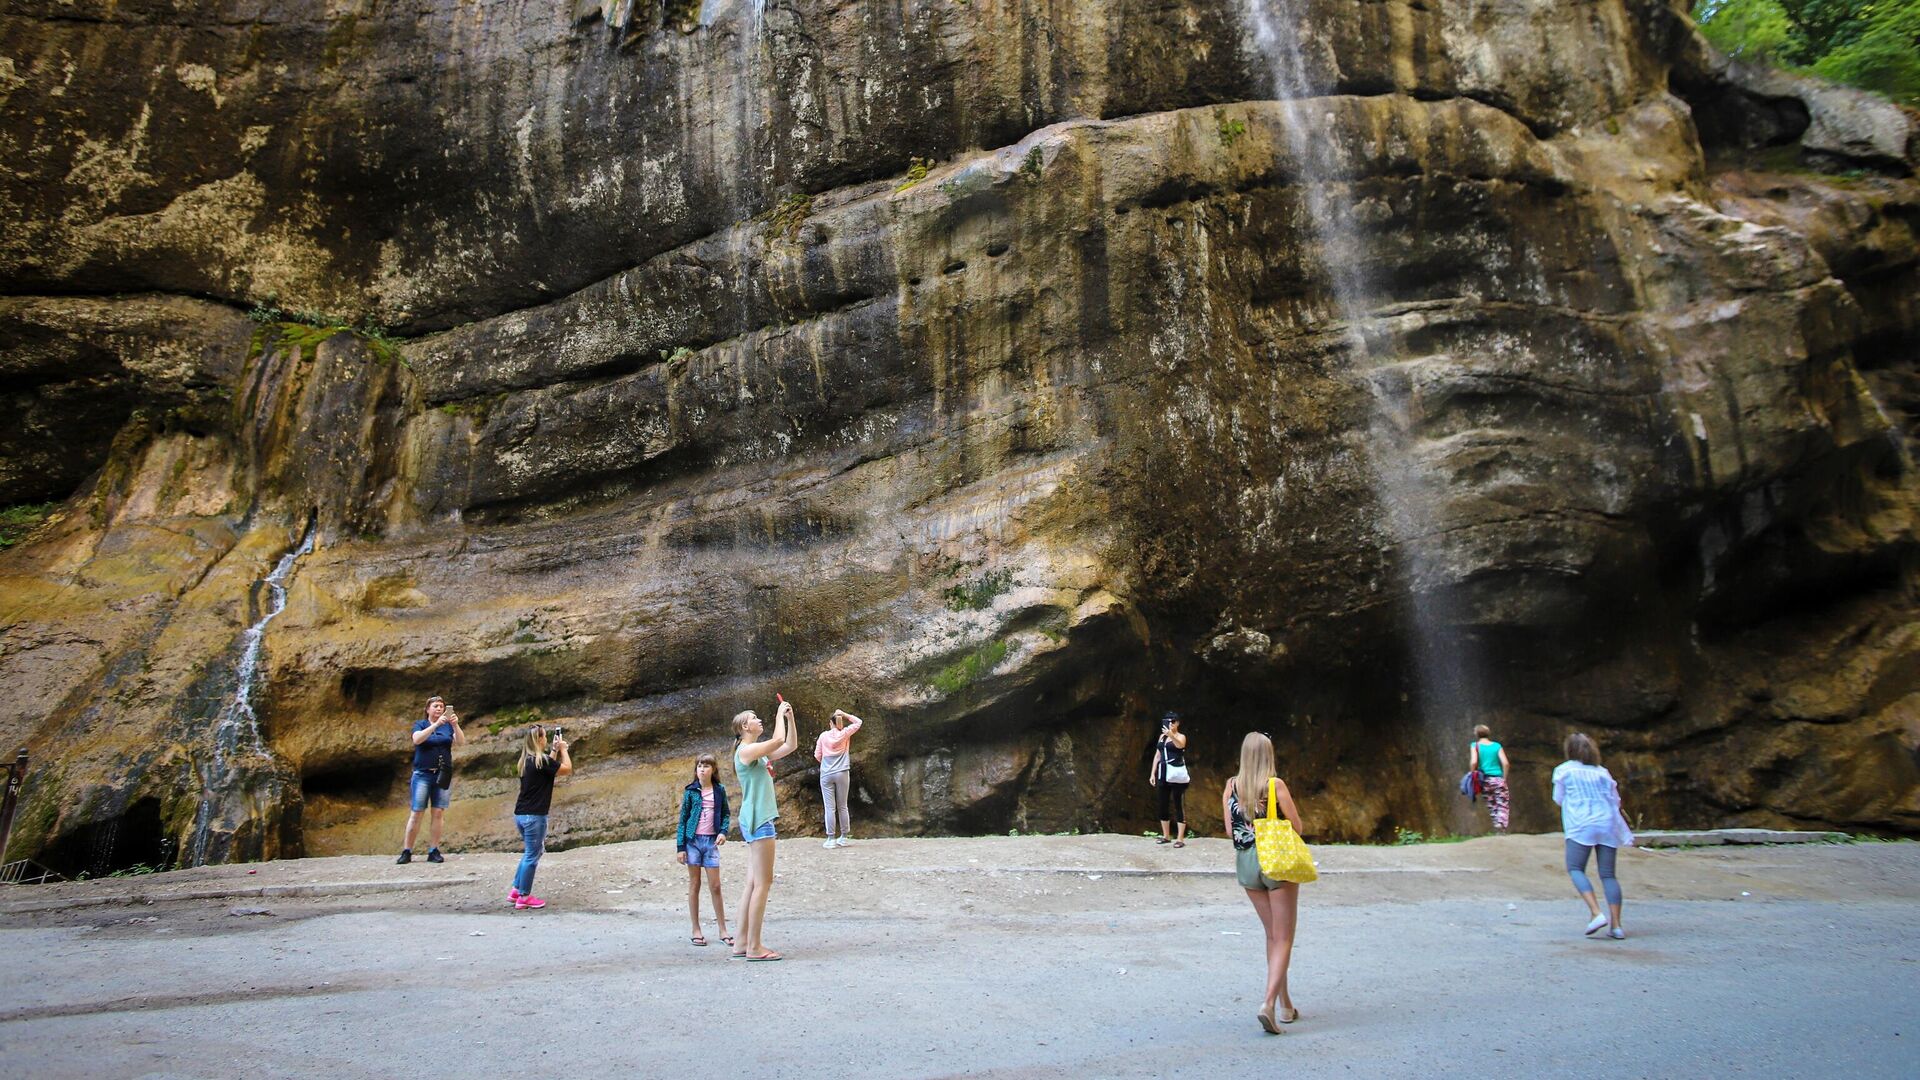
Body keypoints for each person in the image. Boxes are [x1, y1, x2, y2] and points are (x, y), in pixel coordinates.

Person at [1221, 732, 1303, 1034]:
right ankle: (1268, 1003)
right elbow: (1297, 826)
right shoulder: (1275, 786)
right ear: (1268, 755)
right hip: (1276, 863)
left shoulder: (1231, 787)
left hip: (1247, 864)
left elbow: (1230, 831)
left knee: (1272, 936)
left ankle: (1286, 1004)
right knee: (1283, 937)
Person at [731, 697, 798, 960]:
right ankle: (755, 947)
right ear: (745, 727)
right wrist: (779, 714)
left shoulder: (756, 753)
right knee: (763, 883)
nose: (758, 721)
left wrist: (790, 719)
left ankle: (741, 942)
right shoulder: (746, 751)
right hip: (759, 820)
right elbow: (779, 740)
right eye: (754, 718)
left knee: (752, 883)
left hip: (754, 819)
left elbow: (790, 744)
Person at [1552, 732, 1634, 940]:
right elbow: (1615, 800)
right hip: (1607, 823)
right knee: (1608, 875)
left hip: (1580, 825)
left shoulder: (1564, 771)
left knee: (1575, 868)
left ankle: (1596, 913)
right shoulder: (1602, 772)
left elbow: (1558, 799)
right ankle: (1616, 926)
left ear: (1569, 751)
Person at [508, 724, 573, 910]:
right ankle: (524, 897)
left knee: (530, 852)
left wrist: (553, 750)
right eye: (544, 736)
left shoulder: (527, 761)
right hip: (534, 816)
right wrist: (563, 750)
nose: (546, 739)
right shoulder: (541, 761)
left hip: (521, 814)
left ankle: (516, 890)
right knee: (532, 856)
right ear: (539, 740)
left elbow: (547, 771)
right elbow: (566, 769)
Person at [398, 696, 465, 864]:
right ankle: (407, 850)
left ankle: (433, 850)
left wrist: (455, 724)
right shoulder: (420, 724)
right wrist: (435, 725)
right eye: (435, 706)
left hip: (443, 773)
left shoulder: (449, 727)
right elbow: (417, 739)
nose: (439, 709)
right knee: (417, 812)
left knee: (438, 812)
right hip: (423, 774)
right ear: (427, 709)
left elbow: (461, 742)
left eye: (441, 706)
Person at [676, 753, 732, 946]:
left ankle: (723, 929)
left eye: (706, 766)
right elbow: (683, 819)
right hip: (692, 842)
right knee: (695, 884)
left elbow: (725, 813)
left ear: (713, 769)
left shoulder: (719, 790)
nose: (702, 769)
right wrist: (680, 847)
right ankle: (696, 929)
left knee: (715, 886)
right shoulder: (691, 791)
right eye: (699, 766)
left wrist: (723, 832)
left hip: (711, 842)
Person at [814, 709, 865, 848]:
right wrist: (845, 714)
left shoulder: (823, 736)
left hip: (826, 773)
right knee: (842, 806)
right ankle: (843, 837)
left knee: (829, 807)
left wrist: (826, 763)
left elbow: (817, 755)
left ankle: (831, 839)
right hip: (842, 772)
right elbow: (859, 722)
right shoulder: (845, 733)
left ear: (830, 723)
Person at [1149, 712, 1191, 846]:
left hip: (1176, 773)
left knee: (1178, 803)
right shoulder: (1162, 737)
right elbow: (1157, 755)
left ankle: (1180, 838)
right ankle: (1166, 835)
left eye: (1173, 721)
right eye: (1168, 721)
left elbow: (1180, 746)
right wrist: (1152, 773)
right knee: (1163, 804)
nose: (1170, 724)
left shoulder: (1181, 736)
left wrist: (1172, 736)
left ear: (1177, 723)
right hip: (1163, 773)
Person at [1469, 724, 1511, 833]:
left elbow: (1474, 761)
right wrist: (1504, 778)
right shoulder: (1496, 746)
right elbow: (1506, 763)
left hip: (1485, 780)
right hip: (1498, 778)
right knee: (1502, 803)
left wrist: (1472, 774)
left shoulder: (1475, 745)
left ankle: (1498, 826)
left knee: (1491, 803)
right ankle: (1501, 825)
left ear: (1476, 734)